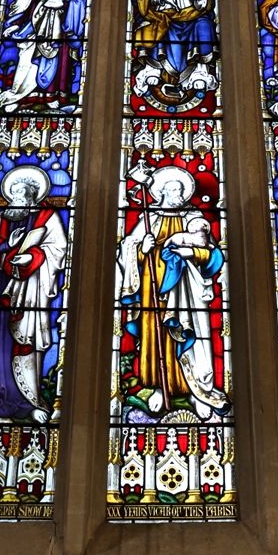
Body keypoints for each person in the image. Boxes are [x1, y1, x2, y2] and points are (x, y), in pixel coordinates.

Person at [118, 167, 228, 420]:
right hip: (153, 288)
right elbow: (127, 248)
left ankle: (196, 390)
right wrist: (141, 248)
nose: (177, 194)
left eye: (180, 189)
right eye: (172, 189)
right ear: (162, 192)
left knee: (192, 335)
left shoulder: (193, 217)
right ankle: (160, 386)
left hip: (187, 289)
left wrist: (192, 253)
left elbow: (211, 253)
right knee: (156, 335)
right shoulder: (152, 216)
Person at [0, 166, 67, 423]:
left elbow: (58, 249)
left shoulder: (47, 217)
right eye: (14, 193)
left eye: (21, 193)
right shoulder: (4, 218)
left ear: (32, 195)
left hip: (27, 291)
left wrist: (32, 257)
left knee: (21, 340)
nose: (16, 197)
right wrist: (5, 246)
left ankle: (28, 400)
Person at [0, 0, 86, 110]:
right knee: (27, 62)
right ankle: (22, 95)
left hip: (59, 31)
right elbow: (22, 7)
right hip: (31, 29)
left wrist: (64, 3)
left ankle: (51, 96)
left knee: (56, 63)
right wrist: (15, 24)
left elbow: (80, 5)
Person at [131, 0, 217, 104]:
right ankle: (153, 69)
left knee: (204, 24)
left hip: (191, 14)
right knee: (158, 25)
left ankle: (200, 71)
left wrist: (199, 0)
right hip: (164, 14)